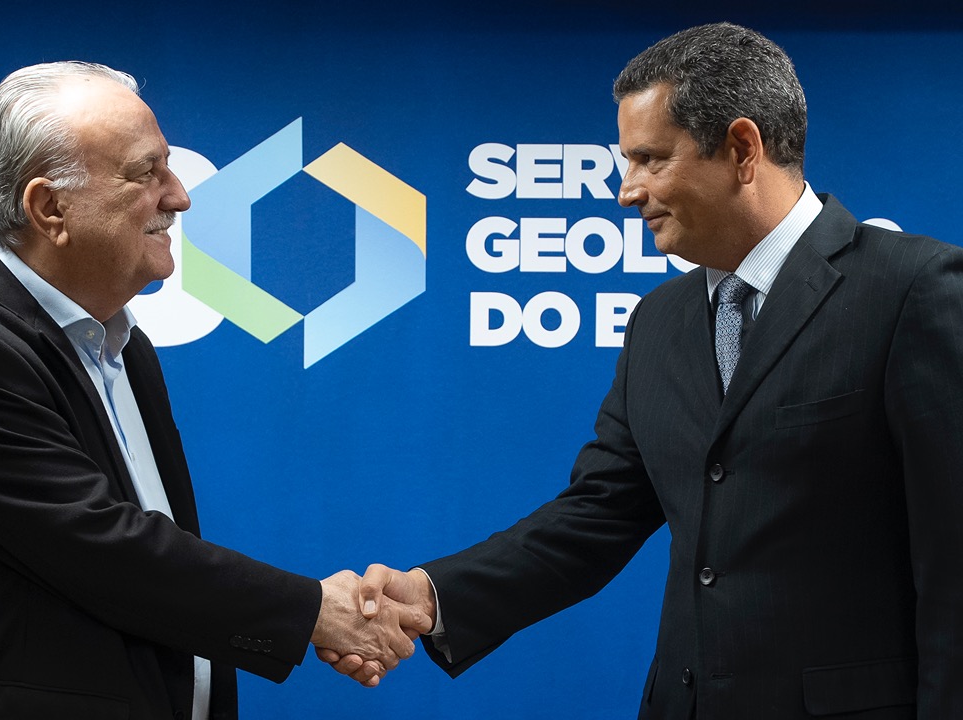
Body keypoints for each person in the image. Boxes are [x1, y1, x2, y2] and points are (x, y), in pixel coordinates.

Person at [323, 22, 963, 718]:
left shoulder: (913, 290)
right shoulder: (658, 320)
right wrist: (431, 596)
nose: (627, 192)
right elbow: (598, 514)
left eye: (649, 160)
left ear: (742, 149)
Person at [0, 62, 422, 720]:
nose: (180, 197)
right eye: (147, 173)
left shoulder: (121, 343)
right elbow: (106, 552)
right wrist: (313, 613)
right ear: (50, 209)